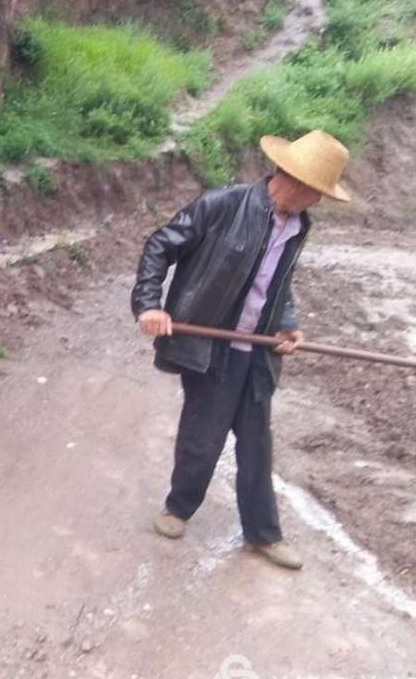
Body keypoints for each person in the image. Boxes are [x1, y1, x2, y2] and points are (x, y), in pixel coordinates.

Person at [130, 130, 351, 571]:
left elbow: (277, 284)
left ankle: (263, 534)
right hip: (210, 347)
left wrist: (287, 325)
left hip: (258, 350)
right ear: (292, 179)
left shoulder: (299, 225)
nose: (318, 203)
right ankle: (178, 507)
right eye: (316, 193)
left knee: (256, 442)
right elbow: (159, 247)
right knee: (203, 433)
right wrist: (149, 305)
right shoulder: (223, 206)